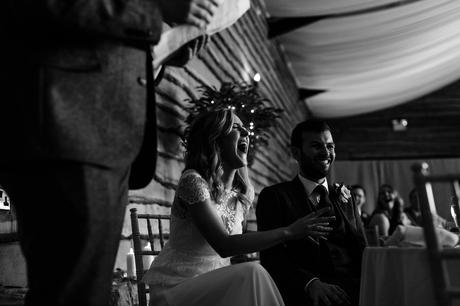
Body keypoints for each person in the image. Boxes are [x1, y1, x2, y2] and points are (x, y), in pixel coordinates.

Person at [0, 1, 218, 305]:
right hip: (67, 123)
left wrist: (165, 47)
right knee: (73, 293)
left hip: (104, 134)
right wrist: (155, 9)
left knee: (88, 291)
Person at [143, 109, 335, 306]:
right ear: (215, 138)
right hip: (178, 288)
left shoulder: (243, 194)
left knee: (257, 278)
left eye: (245, 129)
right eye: (237, 128)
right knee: (253, 272)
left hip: (218, 287)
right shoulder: (193, 181)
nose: (246, 134)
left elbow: (241, 244)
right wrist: (288, 232)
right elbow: (225, 245)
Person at [257, 119, 367, 306]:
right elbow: (271, 256)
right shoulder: (274, 196)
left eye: (330, 146)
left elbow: (360, 245)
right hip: (306, 297)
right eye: (316, 146)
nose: (326, 153)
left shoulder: (346, 196)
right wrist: (309, 283)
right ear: (295, 153)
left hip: (356, 292)